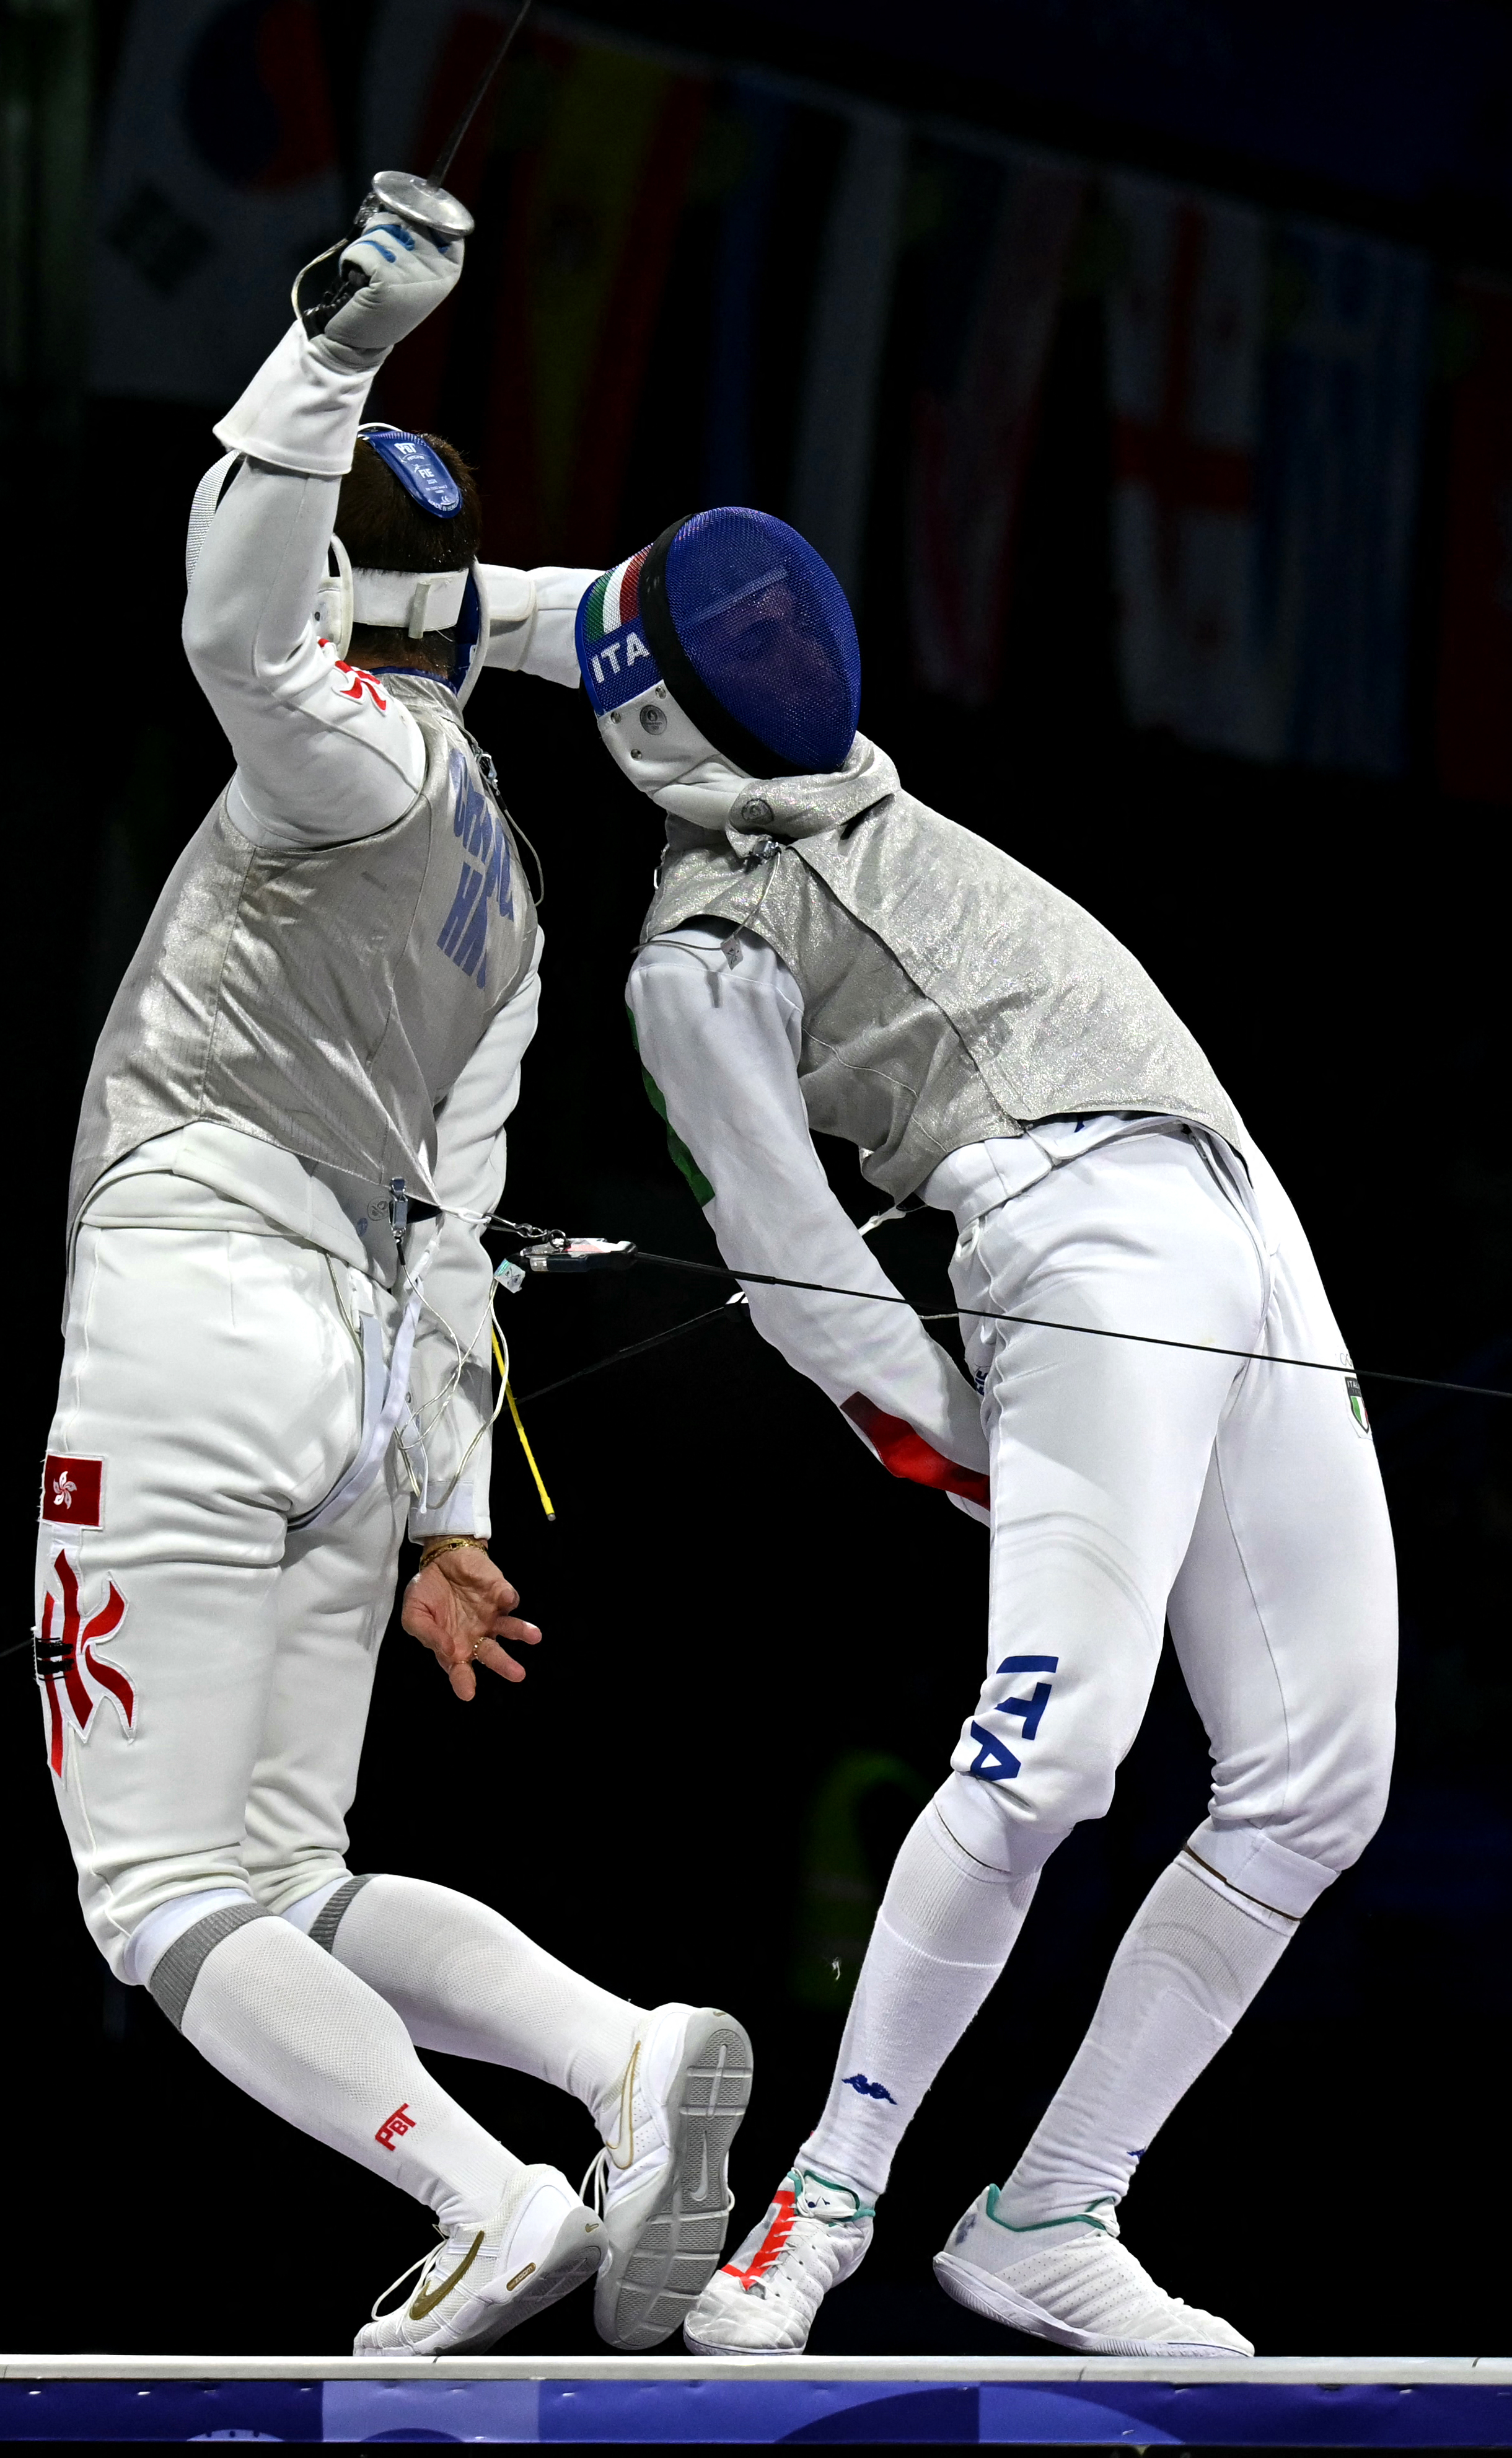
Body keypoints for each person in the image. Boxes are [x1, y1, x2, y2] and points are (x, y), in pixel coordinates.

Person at [35, 203, 750, 2357]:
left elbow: (242, 634)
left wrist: (330, 355)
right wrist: (441, 1502)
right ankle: (623, 2063)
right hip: (346, 1375)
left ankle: (490, 2195)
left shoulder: (352, 766)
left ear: (366, 630)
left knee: (152, 1897)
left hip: (196, 1313)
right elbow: (459, 1227)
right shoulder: (508, 902)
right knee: (278, 1875)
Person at [576, 509, 1396, 2356]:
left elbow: (589, 634)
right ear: (667, 727)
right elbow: (784, 1252)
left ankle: (1051, 2213)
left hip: (1241, 1212)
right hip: (1064, 1229)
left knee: (1320, 1783)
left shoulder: (831, 791)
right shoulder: (694, 951)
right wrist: (940, 1426)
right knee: (1047, 1760)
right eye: (741, 646)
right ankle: (822, 2206)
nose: (790, 656)